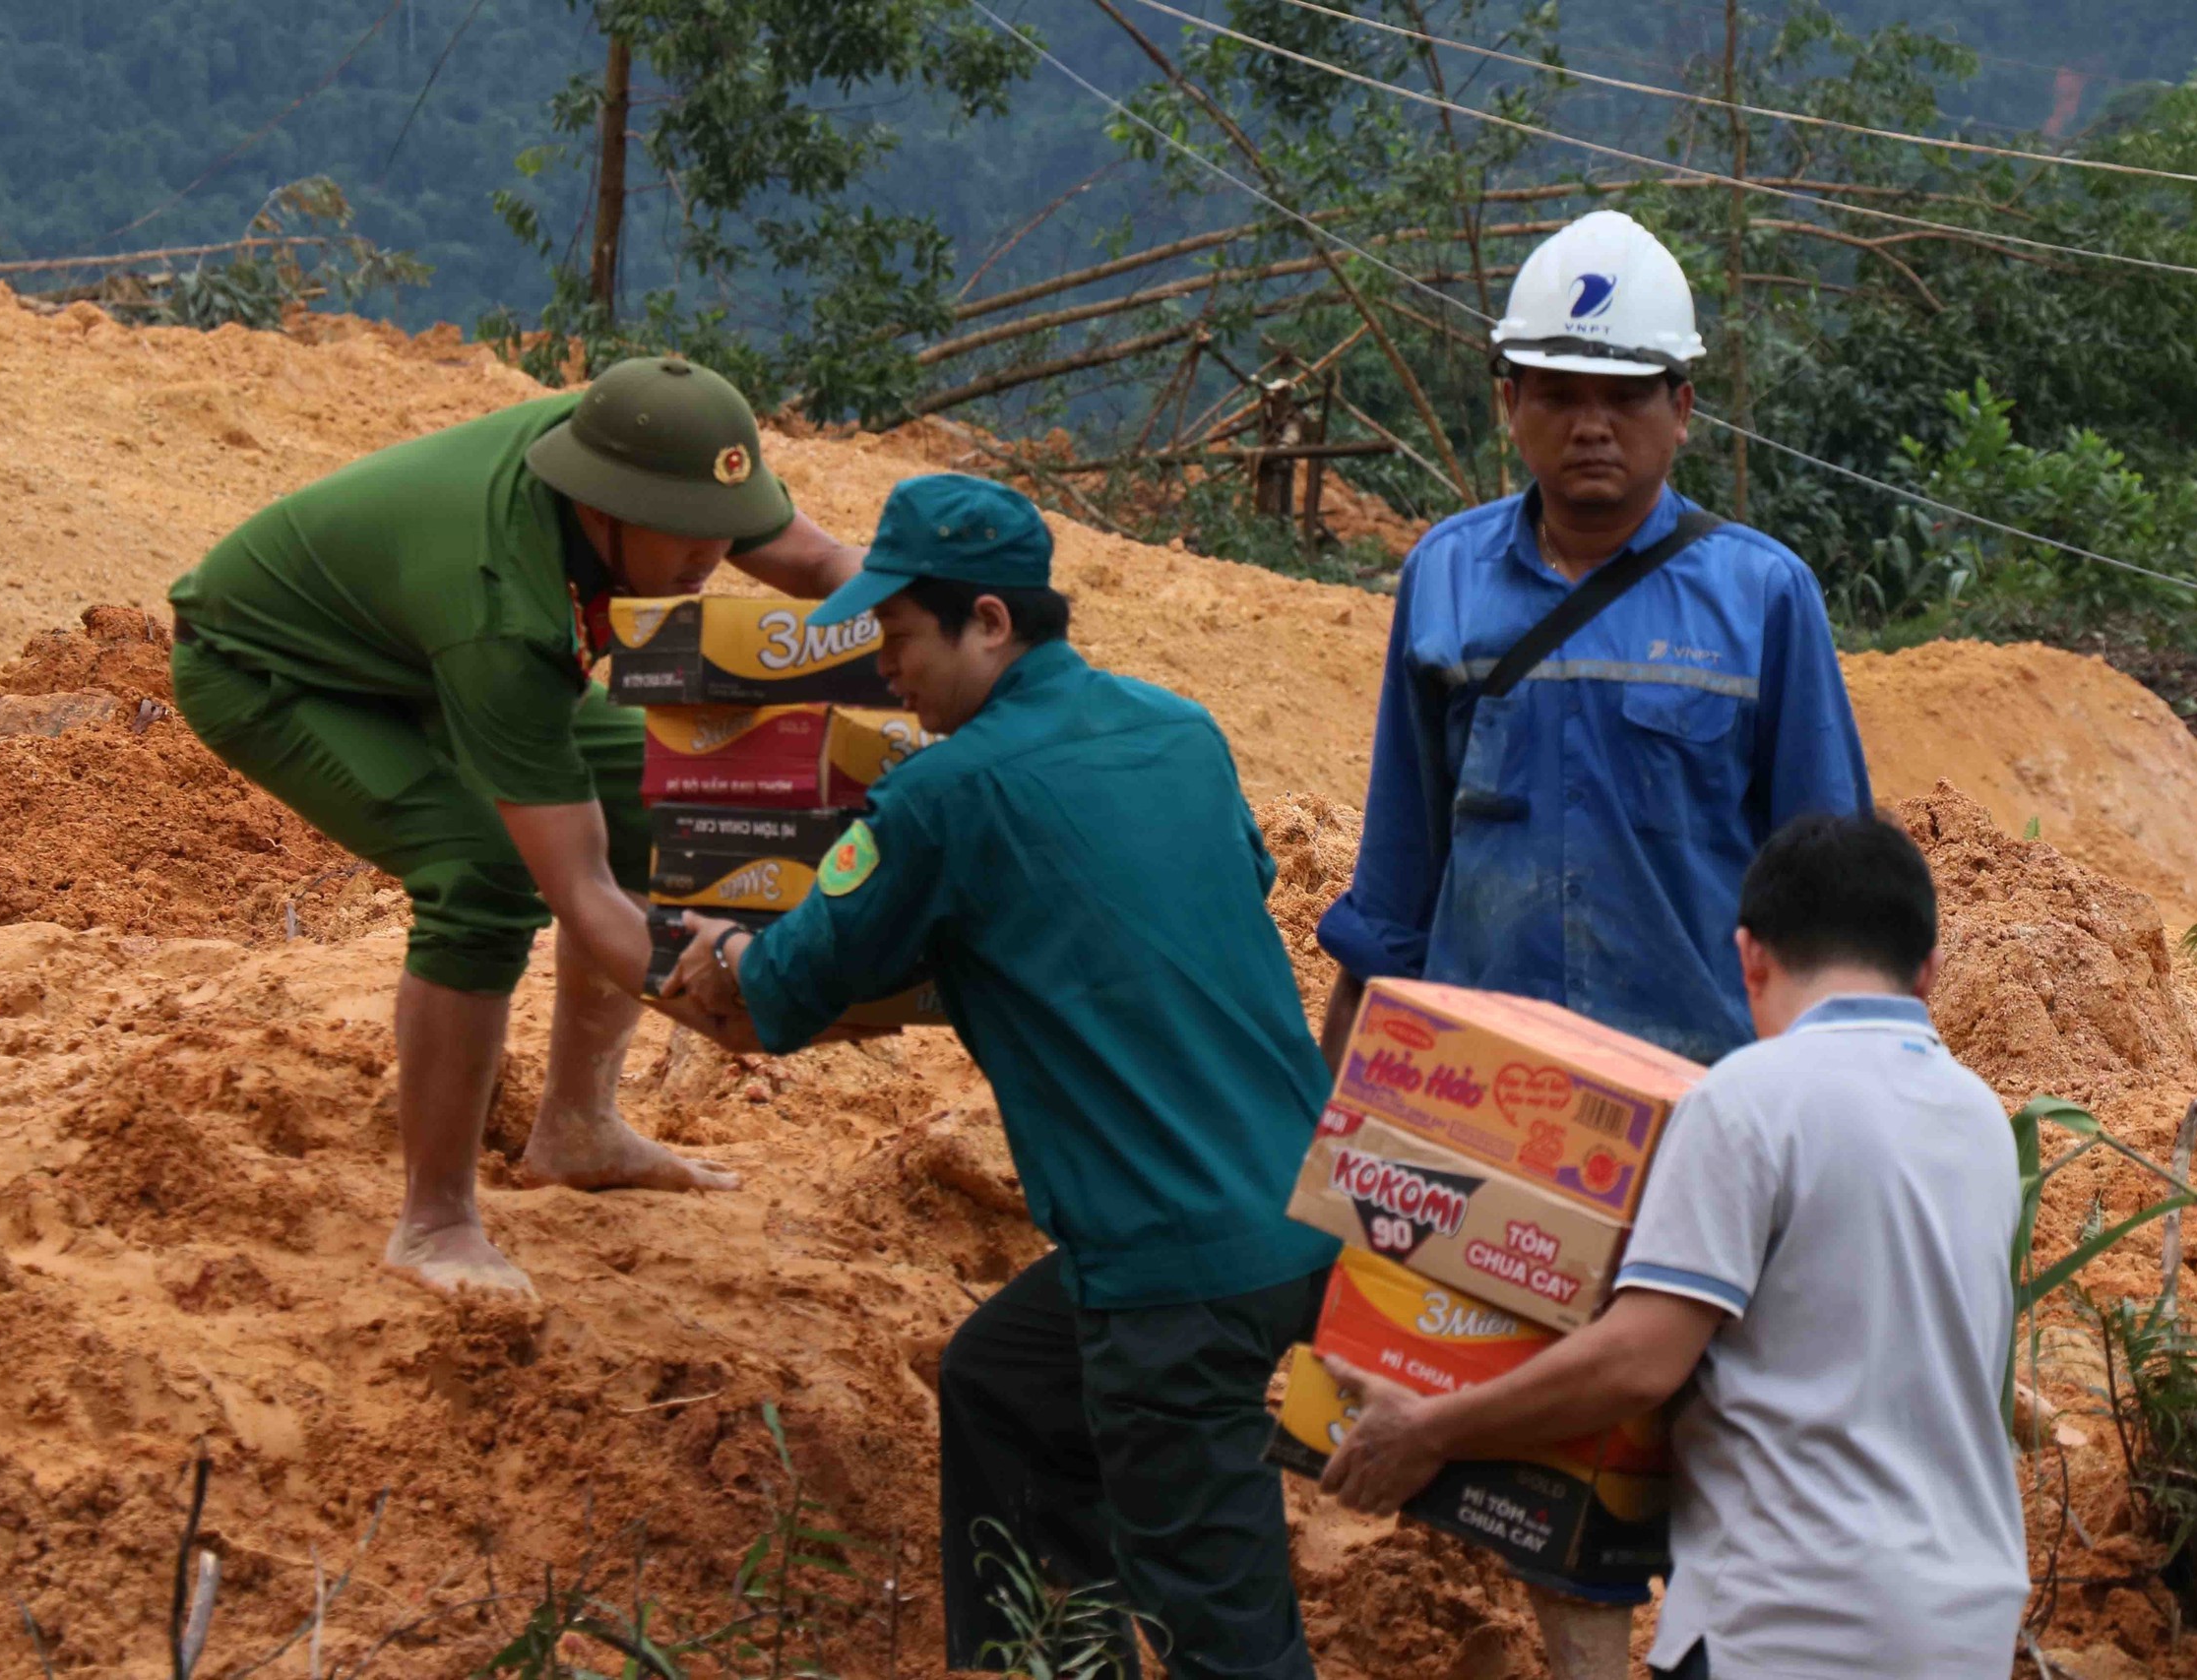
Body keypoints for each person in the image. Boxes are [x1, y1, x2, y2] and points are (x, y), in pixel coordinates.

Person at [663, 473, 1340, 1680]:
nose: (883, 670)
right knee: (1006, 1386)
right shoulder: (1180, 730)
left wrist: (713, 951)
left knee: (1227, 1637)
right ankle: (1056, 1664)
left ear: (988, 620)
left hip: (1169, 1268)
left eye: (897, 636)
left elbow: (774, 999)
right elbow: (1212, 893)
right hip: (1308, 1207)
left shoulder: (942, 793)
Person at [166, 356, 864, 1298]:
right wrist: (725, 994)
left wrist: (933, 627)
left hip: (422, 640)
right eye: (688, 534)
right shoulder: (504, 604)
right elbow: (575, 888)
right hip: (279, 671)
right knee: (482, 874)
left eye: (724, 530)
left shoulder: (660, 435)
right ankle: (436, 1220)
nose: (713, 558)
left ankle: (579, 1129)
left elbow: (821, 563)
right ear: (605, 500)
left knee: (666, 805)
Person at [1313, 811, 2031, 1680]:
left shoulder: (1750, 1099)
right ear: (1929, 969)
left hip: (1792, 1623)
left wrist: (1430, 1428)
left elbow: (1638, 1361)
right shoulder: (1982, 1118)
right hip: (1967, 1621)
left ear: (1750, 955)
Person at [1316, 210, 1871, 1069]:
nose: (1591, 425)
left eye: (1624, 396)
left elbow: (1832, 894)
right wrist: (1339, 1110)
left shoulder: (1763, 596)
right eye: (1559, 394)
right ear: (1511, 403)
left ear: (1680, 408)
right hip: (1482, 1086)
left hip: (1698, 1096)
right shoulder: (1445, 578)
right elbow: (1400, 866)